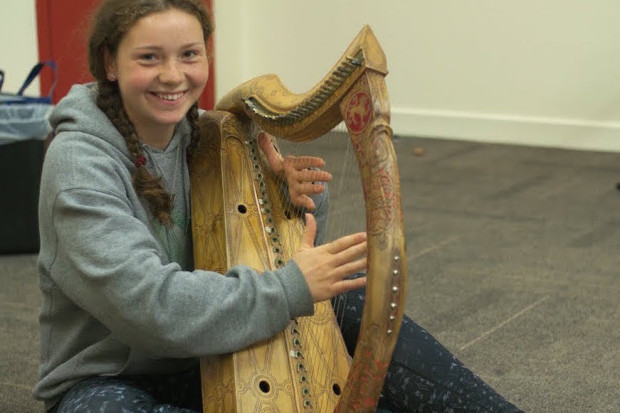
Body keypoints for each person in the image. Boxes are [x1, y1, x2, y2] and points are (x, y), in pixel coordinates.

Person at [33, 0, 523, 412]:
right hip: (112, 378)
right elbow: (148, 308)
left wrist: (292, 199)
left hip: (215, 354)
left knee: (346, 299)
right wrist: (290, 287)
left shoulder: (209, 137)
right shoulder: (79, 165)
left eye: (189, 54)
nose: (172, 76)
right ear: (110, 62)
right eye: (148, 58)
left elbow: (269, 253)